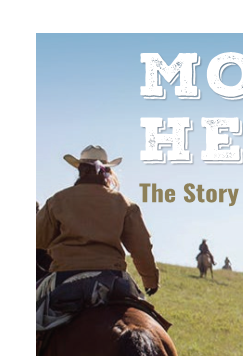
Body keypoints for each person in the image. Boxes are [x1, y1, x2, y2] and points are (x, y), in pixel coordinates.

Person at [36, 144, 159, 338]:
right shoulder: (125, 203)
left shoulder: (58, 200)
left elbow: (38, 240)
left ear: (79, 170)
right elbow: (141, 248)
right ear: (107, 171)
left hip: (64, 277)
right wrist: (150, 281)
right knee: (147, 318)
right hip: (113, 278)